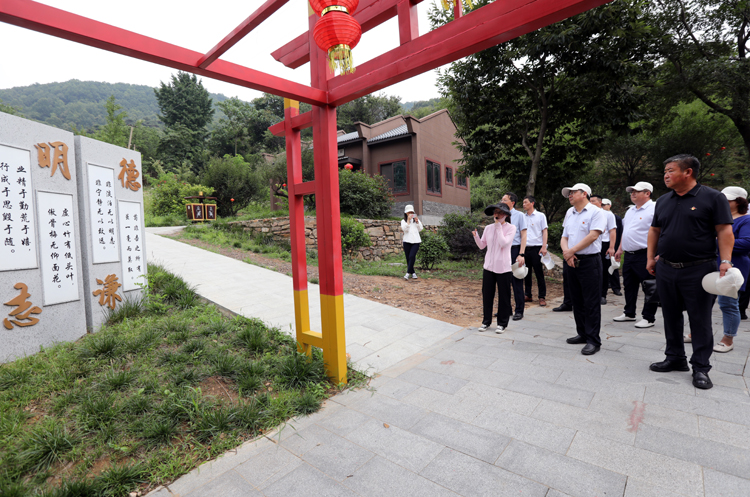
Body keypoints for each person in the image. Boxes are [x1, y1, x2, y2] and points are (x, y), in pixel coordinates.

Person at [647, 154, 734, 390]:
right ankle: (675, 357)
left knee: (700, 319)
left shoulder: (712, 197)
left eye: (671, 170)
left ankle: (701, 367)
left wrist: (726, 260)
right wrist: (650, 257)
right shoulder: (663, 200)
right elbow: (655, 230)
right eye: (665, 171)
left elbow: (724, 231)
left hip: (699, 269)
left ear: (688, 172)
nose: (665, 175)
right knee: (670, 315)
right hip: (666, 267)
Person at [561, 183, 606, 355]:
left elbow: (593, 236)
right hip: (571, 261)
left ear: (584, 193)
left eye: (573, 192)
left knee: (591, 302)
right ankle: (582, 333)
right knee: (577, 300)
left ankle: (593, 340)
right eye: (569, 193)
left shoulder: (596, 212)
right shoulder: (569, 212)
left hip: (589, 262)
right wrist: (567, 253)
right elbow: (564, 236)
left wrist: (571, 251)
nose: (570, 195)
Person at [613, 182, 658, 329]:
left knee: (649, 286)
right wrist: (620, 248)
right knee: (629, 285)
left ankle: (648, 317)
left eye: (636, 191)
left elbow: (660, 231)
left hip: (646, 253)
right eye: (632, 191)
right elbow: (625, 231)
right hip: (629, 255)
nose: (633, 194)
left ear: (647, 193)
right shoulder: (630, 210)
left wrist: (658, 254)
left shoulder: (655, 208)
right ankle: (629, 312)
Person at [712, 187, 750, 352]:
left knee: (728, 303)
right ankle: (697, 333)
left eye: (727, 200)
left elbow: (746, 243)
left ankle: (728, 339)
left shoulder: (746, 220)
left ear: (739, 202)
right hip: (710, 264)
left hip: (734, 266)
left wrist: (717, 240)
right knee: (701, 302)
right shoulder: (717, 218)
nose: (723, 202)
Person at [473, 203, 516, 333]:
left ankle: (502, 324)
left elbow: (504, 243)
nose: (497, 215)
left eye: (500, 212)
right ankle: (486, 322)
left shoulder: (511, 228)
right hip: (488, 267)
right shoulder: (488, 228)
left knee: (504, 296)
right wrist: (476, 236)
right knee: (487, 295)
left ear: (506, 215)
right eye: (496, 212)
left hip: (503, 268)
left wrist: (498, 227)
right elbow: (482, 245)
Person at [501, 192, 527, 320]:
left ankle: (519, 310)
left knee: (517, 281)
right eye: (501, 200)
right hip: (503, 250)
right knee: (503, 281)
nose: (502, 202)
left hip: (515, 250)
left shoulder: (520, 215)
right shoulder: (500, 215)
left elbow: (524, 235)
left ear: (512, 202)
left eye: (504, 200)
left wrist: (521, 253)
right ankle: (506, 309)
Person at [590, 195, 617, 305]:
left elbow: (612, 231)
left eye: (593, 201)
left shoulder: (608, 214)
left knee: (603, 270)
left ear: (600, 202)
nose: (591, 203)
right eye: (590, 201)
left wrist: (611, 247)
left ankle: (602, 294)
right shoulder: (588, 213)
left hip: (604, 244)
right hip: (591, 244)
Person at [522, 195, 548, 306]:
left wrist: (544, 246)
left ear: (532, 203)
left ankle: (542, 296)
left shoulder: (540, 216)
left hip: (536, 248)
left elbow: (544, 231)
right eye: (523, 203)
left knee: (539, 273)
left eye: (525, 202)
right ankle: (528, 294)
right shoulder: (522, 217)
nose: (523, 204)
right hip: (525, 248)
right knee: (526, 273)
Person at [602, 199, 623, 296]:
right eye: (601, 204)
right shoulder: (599, 216)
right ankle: (606, 287)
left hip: (613, 245)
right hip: (604, 245)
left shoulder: (616, 218)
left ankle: (616, 287)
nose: (602, 206)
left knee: (613, 266)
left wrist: (616, 247)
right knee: (604, 268)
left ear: (609, 205)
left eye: (604, 204)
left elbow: (618, 233)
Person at [401, 205, 423, 280]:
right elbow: (405, 230)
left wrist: (417, 221)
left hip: (416, 241)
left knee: (412, 256)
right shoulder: (403, 221)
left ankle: (407, 273)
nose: (410, 213)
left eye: (411, 212)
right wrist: (408, 221)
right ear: (406, 213)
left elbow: (421, 229)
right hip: (407, 241)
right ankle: (413, 273)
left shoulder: (416, 220)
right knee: (408, 258)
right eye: (408, 212)